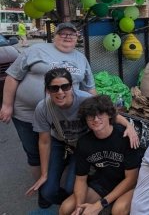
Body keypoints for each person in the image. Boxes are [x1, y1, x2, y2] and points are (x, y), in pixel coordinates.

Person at [0, 22, 96, 208]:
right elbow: (13, 76)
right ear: (55, 35)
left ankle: (59, 182)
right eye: (63, 33)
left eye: (72, 34)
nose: (67, 37)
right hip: (26, 113)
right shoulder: (37, 50)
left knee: (56, 146)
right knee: (35, 151)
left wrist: (98, 112)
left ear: (77, 37)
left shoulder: (81, 58)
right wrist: (7, 105)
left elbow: (89, 88)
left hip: (61, 116)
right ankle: (43, 190)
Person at [26, 69, 138, 207]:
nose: (60, 92)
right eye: (54, 88)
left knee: (71, 187)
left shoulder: (85, 99)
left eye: (65, 87)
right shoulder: (43, 108)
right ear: (47, 90)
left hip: (83, 144)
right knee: (48, 192)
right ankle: (66, 201)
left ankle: (76, 200)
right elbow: (44, 141)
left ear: (72, 86)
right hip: (60, 142)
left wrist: (129, 126)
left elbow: (109, 113)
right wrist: (44, 174)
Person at [59, 95, 141, 215]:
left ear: (109, 115)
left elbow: (132, 178)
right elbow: (81, 179)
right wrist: (79, 207)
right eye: (91, 116)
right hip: (105, 181)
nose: (96, 119)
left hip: (130, 183)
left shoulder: (126, 137)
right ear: (86, 120)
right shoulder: (84, 143)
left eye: (100, 114)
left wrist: (100, 204)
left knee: (118, 210)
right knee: (66, 208)